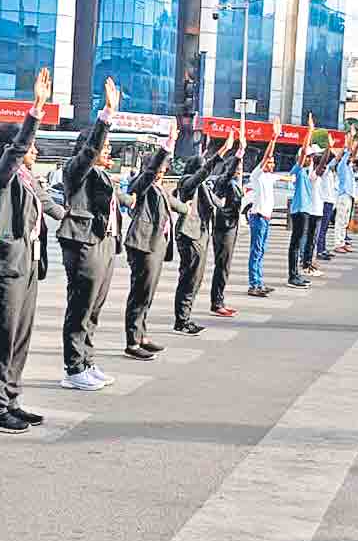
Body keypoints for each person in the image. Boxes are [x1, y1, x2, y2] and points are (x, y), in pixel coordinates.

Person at [0, 68, 65, 435]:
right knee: (4, 336)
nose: (36, 150)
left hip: (28, 264)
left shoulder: (29, 178)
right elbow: (13, 157)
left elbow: (48, 204)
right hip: (5, 265)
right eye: (31, 145)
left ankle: (11, 398)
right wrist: (36, 111)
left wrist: (76, 216)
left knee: (22, 334)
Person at [57, 77, 128, 390]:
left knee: (94, 306)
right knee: (81, 305)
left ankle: (87, 359)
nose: (108, 151)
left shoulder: (102, 174)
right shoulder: (77, 169)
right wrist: (107, 116)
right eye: (104, 147)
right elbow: (89, 153)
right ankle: (74, 368)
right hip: (83, 243)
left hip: (104, 243)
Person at [122, 121, 183, 361]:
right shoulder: (142, 184)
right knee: (140, 292)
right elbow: (148, 175)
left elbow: (175, 206)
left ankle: (142, 335)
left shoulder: (159, 188)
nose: (163, 170)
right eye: (160, 166)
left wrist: (187, 209)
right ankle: (132, 341)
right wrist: (167, 146)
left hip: (156, 245)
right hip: (142, 244)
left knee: (147, 293)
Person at [172, 130, 236, 336]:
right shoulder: (188, 182)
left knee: (196, 278)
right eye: (202, 168)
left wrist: (235, 155)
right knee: (189, 278)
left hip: (200, 235)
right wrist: (223, 150)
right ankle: (182, 321)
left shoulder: (204, 187)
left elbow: (220, 191)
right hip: (189, 235)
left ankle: (185, 318)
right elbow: (203, 173)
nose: (205, 172)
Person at [245, 119, 286, 297]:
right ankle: (254, 284)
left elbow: (289, 178)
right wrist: (274, 138)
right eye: (270, 162)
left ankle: (259, 282)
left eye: (273, 162)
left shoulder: (270, 177)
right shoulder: (258, 174)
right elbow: (265, 157)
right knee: (256, 251)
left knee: (260, 251)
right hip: (258, 218)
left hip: (266, 220)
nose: (272, 164)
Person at [209, 134, 247, 317]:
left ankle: (219, 299)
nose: (239, 169)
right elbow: (230, 171)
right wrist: (240, 151)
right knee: (222, 266)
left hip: (231, 227)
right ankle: (217, 302)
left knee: (225, 266)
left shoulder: (233, 183)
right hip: (223, 228)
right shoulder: (223, 180)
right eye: (237, 166)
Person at [287, 117, 318, 289]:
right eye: (309, 157)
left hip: (305, 209)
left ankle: (296, 274)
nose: (311, 159)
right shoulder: (298, 169)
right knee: (296, 243)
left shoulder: (307, 172)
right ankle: (292, 276)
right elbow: (304, 151)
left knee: (300, 243)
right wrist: (310, 130)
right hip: (299, 210)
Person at [301, 145, 333, 276]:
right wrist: (328, 148)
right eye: (322, 166)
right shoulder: (313, 176)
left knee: (312, 240)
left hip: (317, 211)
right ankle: (307, 265)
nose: (324, 168)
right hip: (313, 212)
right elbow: (321, 165)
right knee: (310, 240)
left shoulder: (317, 177)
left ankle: (310, 262)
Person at [331, 133, 358, 254]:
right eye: (348, 157)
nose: (351, 159)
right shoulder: (342, 166)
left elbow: (353, 154)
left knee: (344, 222)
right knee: (340, 221)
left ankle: (342, 242)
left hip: (349, 196)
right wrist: (350, 139)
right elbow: (348, 152)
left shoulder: (348, 167)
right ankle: (338, 244)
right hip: (343, 196)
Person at [314, 145, 339, 261]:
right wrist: (329, 148)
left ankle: (322, 249)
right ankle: (320, 251)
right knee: (322, 228)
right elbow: (335, 159)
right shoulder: (324, 171)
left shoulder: (329, 172)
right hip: (325, 203)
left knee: (324, 228)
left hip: (329, 202)